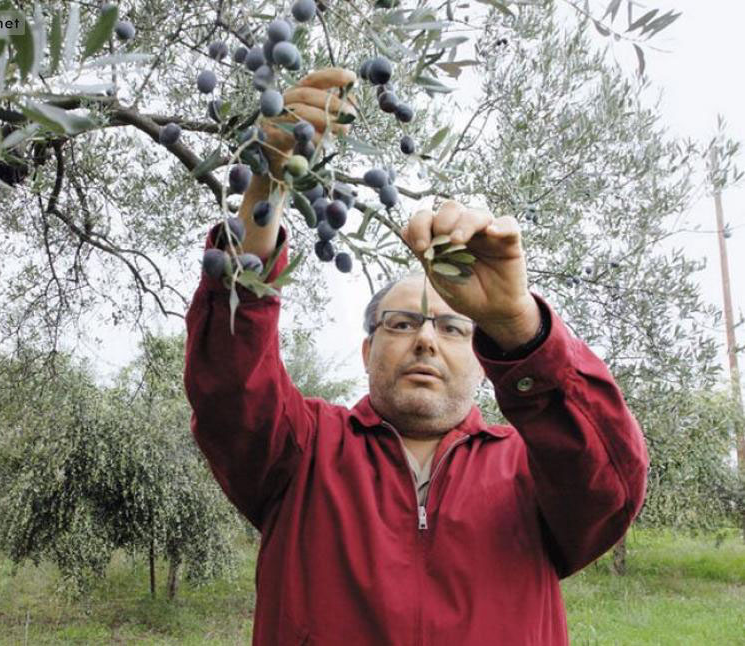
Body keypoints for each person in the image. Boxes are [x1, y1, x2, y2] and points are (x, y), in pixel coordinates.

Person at [183, 68, 649, 645]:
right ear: (367, 349)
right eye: (401, 323)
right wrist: (266, 191)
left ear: (483, 359)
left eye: (454, 328)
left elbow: (610, 486)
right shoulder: (300, 453)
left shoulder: (529, 471)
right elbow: (230, 386)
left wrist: (517, 324)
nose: (426, 339)